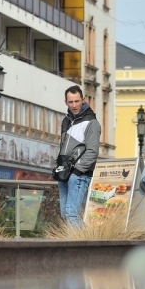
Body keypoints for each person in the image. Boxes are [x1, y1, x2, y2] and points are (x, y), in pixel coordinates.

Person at [56, 86, 101, 226]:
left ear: (83, 100)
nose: (74, 105)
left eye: (77, 101)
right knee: (65, 214)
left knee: (71, 213)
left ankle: (81, 247)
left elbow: (92, 152)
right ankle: (88, 242)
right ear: (66, 102)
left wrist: (77, 171)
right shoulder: (66, 121)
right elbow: (63, 147)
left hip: (79, 174)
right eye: (71, 102)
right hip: (64, 173)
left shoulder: (91, 122)